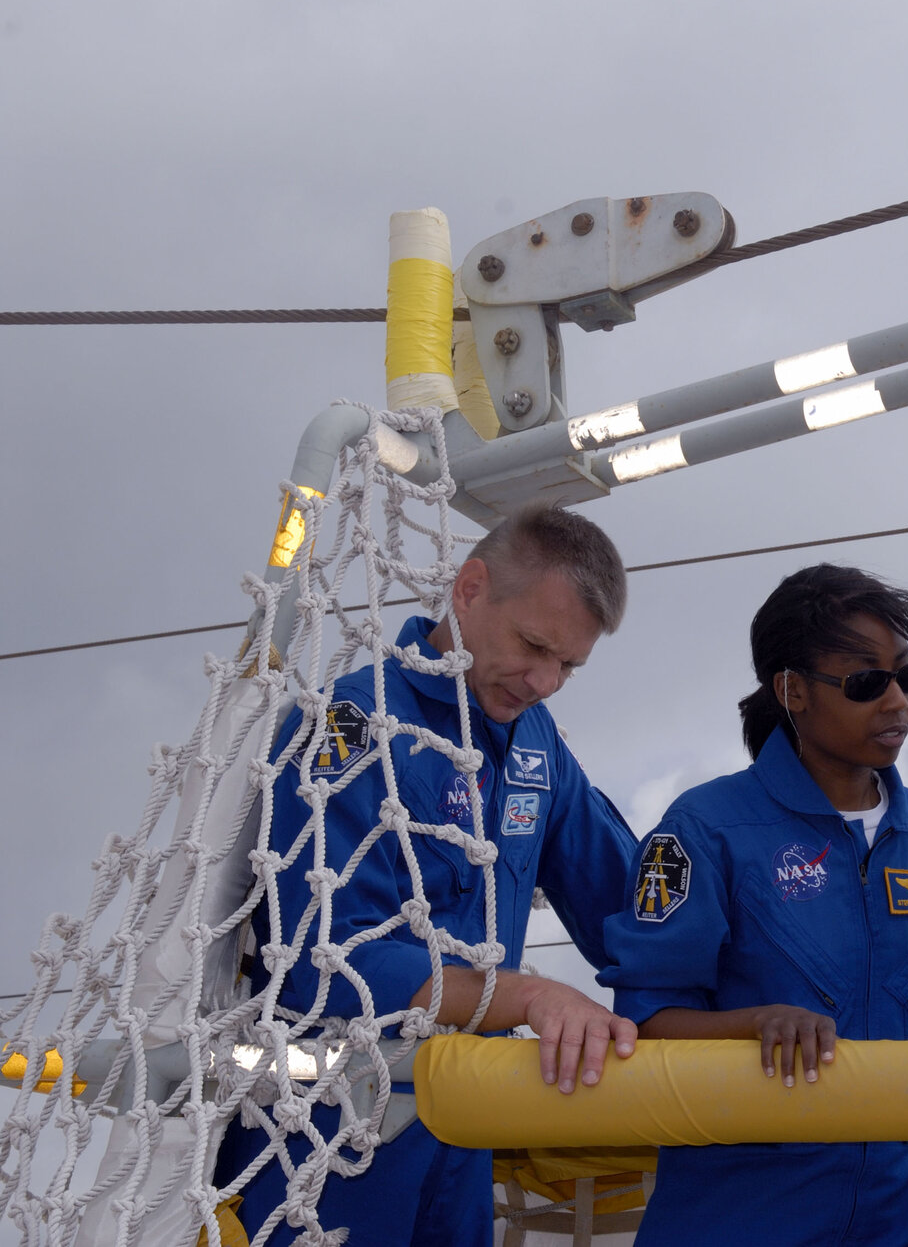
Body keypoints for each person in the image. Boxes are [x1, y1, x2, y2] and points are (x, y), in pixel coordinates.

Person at [219, 503, 644, 1246]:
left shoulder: (534, 740)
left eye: (569, 665)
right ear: (470, 589)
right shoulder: (353, 724)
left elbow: (631, 911)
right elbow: (327, 959)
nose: (546, 681)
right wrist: (531, 994)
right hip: (323, 1136)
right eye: (535, 645)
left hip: (460, 1128)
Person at [598, 564, 908, 1247]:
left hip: (897, 1222)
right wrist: (758, 1022)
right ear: (792, 690)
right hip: (732, 1222)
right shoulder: (705, 829)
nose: (897, 702)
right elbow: (647, 1021)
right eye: (866, 682)